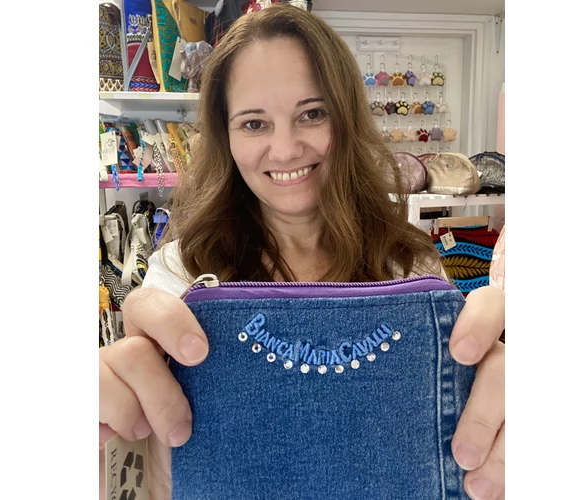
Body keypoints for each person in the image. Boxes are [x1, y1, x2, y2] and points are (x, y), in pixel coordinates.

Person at [99, 5, 505, 500]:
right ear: (225, 136)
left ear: (347, 118)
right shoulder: (179, 272)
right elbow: (153, 478)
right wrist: (113, 450)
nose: (286, 149)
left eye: (312, 114)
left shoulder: (409, 263)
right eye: (254, 123)